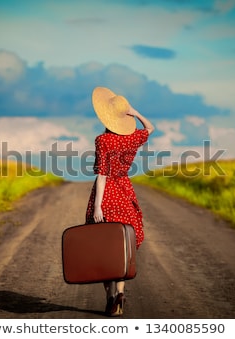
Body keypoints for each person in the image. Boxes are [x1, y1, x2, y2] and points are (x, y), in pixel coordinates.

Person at [85, 86, 154, 316]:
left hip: (107, 195)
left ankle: (110, 298)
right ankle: (121, 294)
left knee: (103, 246)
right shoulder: (133, 138)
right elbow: (151, 128)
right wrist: (135, 112)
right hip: (125, 192)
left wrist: (97, 206)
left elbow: (102, 175)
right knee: (123, 246)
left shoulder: (102, 140)